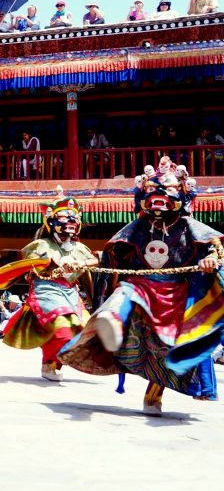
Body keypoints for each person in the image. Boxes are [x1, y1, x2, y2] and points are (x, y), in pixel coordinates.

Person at [60, 158, 223, 416]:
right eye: (152, 193)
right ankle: (111, 321)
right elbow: (111, 257)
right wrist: (82, 261)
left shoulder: (191, 228)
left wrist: (210, 260)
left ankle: (154, 394)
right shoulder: (138, 228)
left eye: (167, 192)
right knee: (125, 291)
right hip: (141, 284)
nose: (158, 198)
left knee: (166, 348)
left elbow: (215, 250)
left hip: (175, 295)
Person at [0, 191, 97, 381]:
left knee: (79, 332)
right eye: (65, 217)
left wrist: (83, 264)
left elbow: (93, 260)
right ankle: (49, 363)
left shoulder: (79, 248)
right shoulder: (41, 245)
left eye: (74, 217)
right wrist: (52, 265)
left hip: (70, 292)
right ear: (52, 222)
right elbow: (30, 266)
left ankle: (52, 363)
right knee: (62, 329)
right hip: (47, 290)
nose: (71, 221)